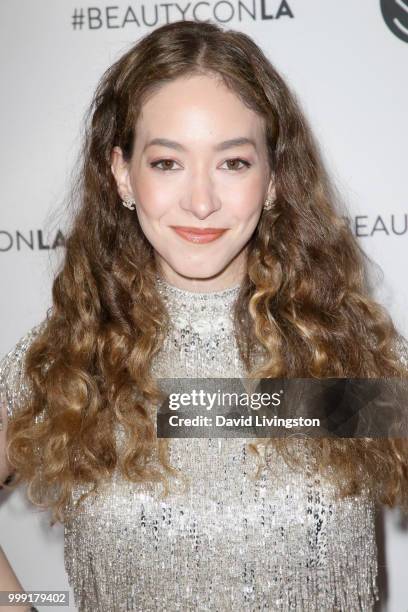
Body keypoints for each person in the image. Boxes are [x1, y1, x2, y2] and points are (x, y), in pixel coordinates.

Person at [1, 19, 407, 612]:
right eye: (167, 162)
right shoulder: (72, 361)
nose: (200, 201)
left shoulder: (339, 352)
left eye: (233, 163)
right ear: (122, 173)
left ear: (272, 178)